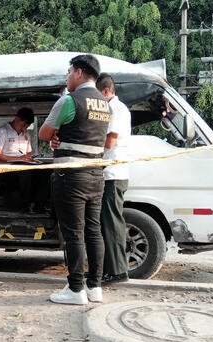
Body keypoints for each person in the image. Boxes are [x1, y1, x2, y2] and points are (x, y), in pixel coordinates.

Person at [38, 54, 112, 305]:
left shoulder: (69, 100)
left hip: (70, 176)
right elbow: (87, 135)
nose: (67, 77)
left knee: (73, 233)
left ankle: (76, 289)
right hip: (96, 174)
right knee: (93, 231)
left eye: (69, 72)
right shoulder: (105, 103)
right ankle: (95, 287)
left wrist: (55, 136)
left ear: (79, 73)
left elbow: (44, 132)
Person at [95, 73, 132, 284]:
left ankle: (117, 272)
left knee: (111, 224)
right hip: (111, 173)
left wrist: (88, 150)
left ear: (106, 92)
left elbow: (109, 142)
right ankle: (111, 269)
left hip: (112, 174)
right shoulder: (116, 108)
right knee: (107, 224)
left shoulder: (115, 109)